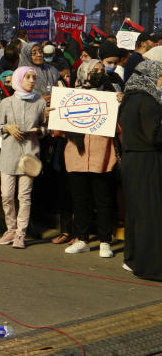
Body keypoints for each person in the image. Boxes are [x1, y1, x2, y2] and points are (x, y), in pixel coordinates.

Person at [63, 60, 118, 257]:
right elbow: (59, 130)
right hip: (76, 156)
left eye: (102, 71)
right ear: (84, 72)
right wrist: (51, 115)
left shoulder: (111, 94)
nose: (99, 73)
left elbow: (118, 128)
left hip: (102, 155)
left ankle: (105, 241)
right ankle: (82, 239)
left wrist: (118, 106)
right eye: (95, 70)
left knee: (103, 200)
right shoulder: (70, 95)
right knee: (80, 200)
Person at [118, 60, 162, 280]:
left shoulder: (129, 98)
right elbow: (154, 135)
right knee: (150, 213)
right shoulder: (148, 101)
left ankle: (132, 258)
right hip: (148, 161)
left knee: (136, 212)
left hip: (132, 159)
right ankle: (151, 266)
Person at [0, 66, 47, 249]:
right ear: (18, 79)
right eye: (28, 77)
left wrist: (36, 131)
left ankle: (20, 234)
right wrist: (8, 128)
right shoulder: (6, 103)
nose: (32, 80)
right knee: (6, 195)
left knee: (24, 196)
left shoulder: (40, 102)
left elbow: (44, 128)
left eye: (34, 77)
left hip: (30, 154)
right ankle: (10, 229)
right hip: (9, 154)